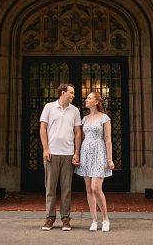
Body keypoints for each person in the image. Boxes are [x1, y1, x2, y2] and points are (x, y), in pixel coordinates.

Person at [39, 82, 83, 231]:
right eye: (71, 92)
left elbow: (78, 132)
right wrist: (45, 149)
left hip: (68, 153)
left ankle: (65, 218)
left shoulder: (75, 111)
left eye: (73, 93)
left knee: (66, 188)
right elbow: (43, 128)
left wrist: (77, 152)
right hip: (52, 153)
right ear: (63, 92)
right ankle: (50, 218)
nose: (73, 95)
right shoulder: (49, 107)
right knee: (50, 188)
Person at [75, 91, 115, 232]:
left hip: (99, 153)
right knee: (88, 189)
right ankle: (93, 220)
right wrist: (77, 154)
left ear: (97, 101)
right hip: (86, 152)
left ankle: (105, 219)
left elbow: (108, 139)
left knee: (96, 188)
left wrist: (109, 159)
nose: (86, 100)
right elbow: (79, 136)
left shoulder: (104, 118)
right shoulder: (84, 119)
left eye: (89, 98)